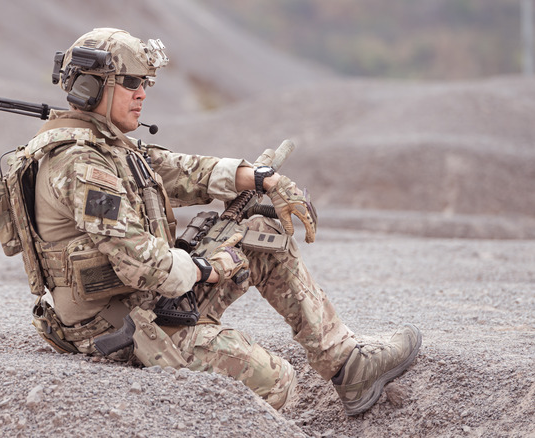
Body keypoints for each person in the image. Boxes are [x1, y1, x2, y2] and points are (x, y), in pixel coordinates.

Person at [22, 28, 421, 415]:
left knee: (259, 239)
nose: (142, 93)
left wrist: (259, 177)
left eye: (146, 82)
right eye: (130, 82)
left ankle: (347, 362)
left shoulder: (107, 145)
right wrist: (208, 269)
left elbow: (175, 168)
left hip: (141, 304)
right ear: (92, 88)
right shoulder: (81, 165)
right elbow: (143, 265)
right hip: (119, 333)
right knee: (278, 381)